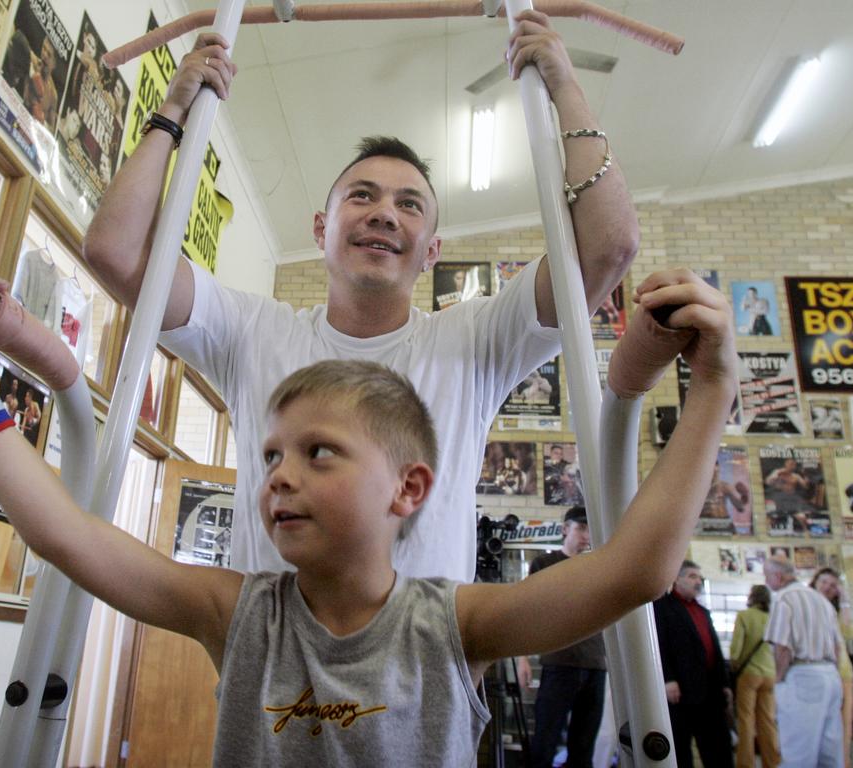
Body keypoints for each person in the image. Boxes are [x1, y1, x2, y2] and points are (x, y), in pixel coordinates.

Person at [0, 265, 736, 766]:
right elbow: (63, 533)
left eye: (319, 454)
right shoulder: (236, 613)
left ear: (408, 490)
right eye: (272, 456)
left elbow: (639, 570)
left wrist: (712, 388)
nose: (280, 476)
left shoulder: (458, 626)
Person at [81, 11, 640, 581]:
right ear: (321, 230)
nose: (383, 213)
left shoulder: (474, 341)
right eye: (363, 196)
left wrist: (565, 88)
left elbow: (607, 250)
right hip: (274, 667)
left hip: (423, 667)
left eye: (410, 205)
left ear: (431, 253)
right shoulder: (252, 330)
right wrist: (172, 111)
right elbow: (116, 253)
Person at [528, 506, 607, 768]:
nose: (586, 535)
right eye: (581, 527)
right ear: (565, 529)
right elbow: (526, 613)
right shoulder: (544, 564)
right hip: (560, 663)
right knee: (544, 743)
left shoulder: (598, 568)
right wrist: (521, 659)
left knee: (584, 749)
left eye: (590, 529)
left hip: (596, 666)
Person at [763, 556, 844, 768]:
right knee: (829, 755)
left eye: (766, 576)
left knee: (798, 755)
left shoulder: (784, 598)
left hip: (803, 678)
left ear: (778, 576)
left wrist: (779, 680)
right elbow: (837, 646)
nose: (766, 581)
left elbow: (782, 647)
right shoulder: (821, 600)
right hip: (831, 676)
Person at [653, 560, 734, 768]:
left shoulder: (703, 612)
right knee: (680, 750)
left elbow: (714, 650)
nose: (698, 581)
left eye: (699, 577)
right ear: (676, 579)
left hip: (710, 692)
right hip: (681, 691)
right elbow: (659, 646)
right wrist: (668, 679)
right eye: (692, 576)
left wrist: (725, 684)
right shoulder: (662, 608)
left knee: (718, 749)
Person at [811, 567, 853, 767]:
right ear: (815, 582)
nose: (827, 587)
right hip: (815, 677)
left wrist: (845, 598)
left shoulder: (836, 610)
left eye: (832, 585)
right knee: (816, 733)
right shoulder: (806, 605)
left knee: (844, 730)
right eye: (824, 582)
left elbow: (849, 631)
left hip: (842, 676)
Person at [730, 584, 780, 768]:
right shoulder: (773, 619)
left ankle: (746, 764)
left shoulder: (744, 616)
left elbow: (735, 650)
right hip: (771, 675)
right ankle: (772, 762)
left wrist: (735, 663)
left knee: (746, 721)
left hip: (749, 675)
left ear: (752, 598)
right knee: (768, 721)